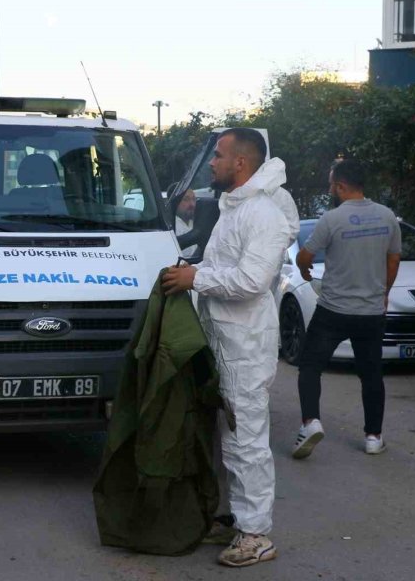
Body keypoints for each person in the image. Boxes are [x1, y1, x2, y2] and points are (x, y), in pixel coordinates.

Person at [162, 128, 294, 567]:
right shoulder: (234, 209)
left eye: (218, 156)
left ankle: (256, 534)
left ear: (241, 163)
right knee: (226, 437)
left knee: (246, 440)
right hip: (224, 341)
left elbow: (252, 282)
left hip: (246, 346)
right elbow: (221, 267)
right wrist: (192, 269)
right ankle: (233, 517)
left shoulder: (263, 214)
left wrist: (195, 278)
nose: (212, 164)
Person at [292, 159, 401, 459]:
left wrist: (304, 270)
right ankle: (373, 437)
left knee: (311, 366)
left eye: (331, 184)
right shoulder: (387, 216)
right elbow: (393, 260)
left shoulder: (332, 219)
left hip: (333, 311)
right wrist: (385, 292)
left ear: (341, 186)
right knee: (371, 375)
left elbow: (305, 255)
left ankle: (310, 422)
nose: (330, 189)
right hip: (371, 313)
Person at [174, 189, 198, 258]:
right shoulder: (171, 226)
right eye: (186, 199)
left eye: (194, 199)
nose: (192, 204)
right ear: (175, 202)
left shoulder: (197, 223)